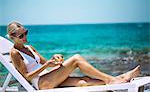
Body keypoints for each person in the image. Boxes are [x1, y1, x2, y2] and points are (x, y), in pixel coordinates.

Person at [7, 21, 140, 90]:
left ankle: (119, 79)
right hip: (41, 83)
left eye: (26, 32)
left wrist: (54, 60)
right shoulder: (14, 53)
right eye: (21, 35)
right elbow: (26, 77)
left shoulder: (30, 48)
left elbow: (46, 62)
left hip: (48, 77)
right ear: (12, 37)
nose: (25, 37)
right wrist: (47, 65)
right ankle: (113, 80)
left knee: (84, 81)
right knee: (76, 58)